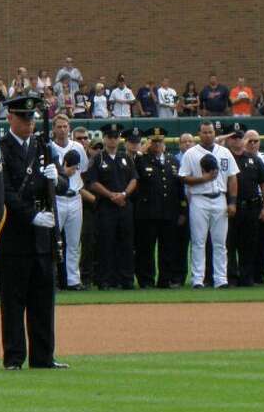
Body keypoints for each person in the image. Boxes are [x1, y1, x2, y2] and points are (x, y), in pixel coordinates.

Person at [0, 95, 67, 370]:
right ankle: (14, 357)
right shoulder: (0, 149)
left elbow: (60, 185)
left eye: (32, 119)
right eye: (24, 118)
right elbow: (3, 191)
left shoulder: (43, 147)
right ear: (11, 118)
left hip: (43, 236)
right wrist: (31, 216)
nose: (29, 123)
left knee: (43, 301)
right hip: (14, 234)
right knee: (14, 302)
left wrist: (55, 178)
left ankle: (44, 356)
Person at [178, 121, 239, 289]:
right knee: (199, 241)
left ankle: (221, 279)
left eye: (210, 132)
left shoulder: (225, 152)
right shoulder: (191, 153)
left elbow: (232, 177)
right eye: (204, 132)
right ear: (199, 134)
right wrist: (202, 179)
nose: (208, 135)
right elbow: (183, 177)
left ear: (214, 133)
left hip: (220, 198)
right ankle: (198, 279)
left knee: (220, 242)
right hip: (199, 198)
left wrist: (232, 202)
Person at [84, 122, 137, 290]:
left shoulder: (126, 157)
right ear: (105, 138)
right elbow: (92, 183)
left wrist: (124, 194)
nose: (113, 140)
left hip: (124, 205)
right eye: (110, 137)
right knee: (106, 244)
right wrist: (111, 195)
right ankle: (105, 280)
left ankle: (126, 279)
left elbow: (134, 179)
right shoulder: (97, 158)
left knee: (126, 244)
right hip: (106, 207)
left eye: (116, 137)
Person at [133, 126, 185, 288]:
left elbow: (179, 188)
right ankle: (146, 280)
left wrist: (182, 210)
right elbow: (133, 172)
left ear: (164, 143)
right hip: (147, 213)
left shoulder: (173, 161)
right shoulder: (141, 160)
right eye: (154, 142)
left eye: (160, 142)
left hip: (169, 212)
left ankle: (165, 280)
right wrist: (141, 152)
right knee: (146, 249)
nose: (157, 145)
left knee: (168, 248)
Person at [224, 124, 264, 287]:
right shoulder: (223, 157)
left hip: (251, 207)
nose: (237, 141)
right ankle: (231, 277)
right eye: (233, 138)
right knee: (229, 244)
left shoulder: (254, 159)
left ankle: (247, 278)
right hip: (230, 208)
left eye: (239, 137)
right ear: (228, 140)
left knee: (249, 245)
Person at [48, 114, 87, 290]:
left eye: (65, 126)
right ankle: (52, 279)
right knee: (53, 241)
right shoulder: (50, 148)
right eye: (59, 126)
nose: (62, 130)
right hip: (56, 199)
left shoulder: (77, 147)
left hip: (75, 197)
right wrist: (64, 172)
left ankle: (73, 280)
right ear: (53, 129)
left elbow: (83, 170)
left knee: (73, 242)